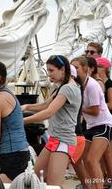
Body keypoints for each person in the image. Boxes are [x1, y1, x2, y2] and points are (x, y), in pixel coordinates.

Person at [22, 55, 81, 186]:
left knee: (54, 185)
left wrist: (22, 121)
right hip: (54, 139)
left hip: (64, 141)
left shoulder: (68, 88)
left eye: (52, 70)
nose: (49, 75)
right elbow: (45, 105)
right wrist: (26, 107)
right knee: (36, 179)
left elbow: (48, 112)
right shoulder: (60, 86)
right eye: (48, 70)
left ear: (63, 70)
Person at [71, 56, 112, 189]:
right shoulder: (79, 85)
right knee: (78, 158)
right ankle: (89, 185)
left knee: (92, 160)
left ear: (85, 69)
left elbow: (95, 111)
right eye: (71, 67)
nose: (73, 70)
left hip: (104, 125)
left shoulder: (91, 85)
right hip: (92, 126)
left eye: (76, 67)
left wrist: (79, 107)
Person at [96, 57, 112, 188]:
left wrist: (96, 106)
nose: (96, 68)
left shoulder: (109, 83)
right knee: (102, 153)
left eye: (99, 66)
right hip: (98, 120)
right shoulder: (96, 82)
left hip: (107, 119)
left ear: (105, 68)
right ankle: (106, 180)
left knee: (108, 152)